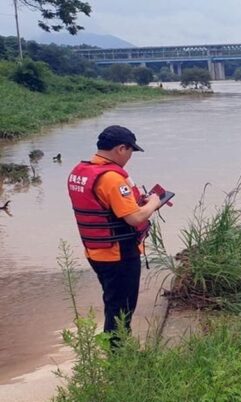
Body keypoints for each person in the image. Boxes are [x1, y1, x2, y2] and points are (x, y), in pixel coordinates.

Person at [67, 125, 163, 343]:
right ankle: (118, 357)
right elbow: (135, 218)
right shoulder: (111, 178)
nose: (130, 157)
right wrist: (154, 203)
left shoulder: (79, 172)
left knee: (113, 302)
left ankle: (115, 350)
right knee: (122, 308)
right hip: (119, 254)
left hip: (96, 252)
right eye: (131, 151)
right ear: (121, 148)